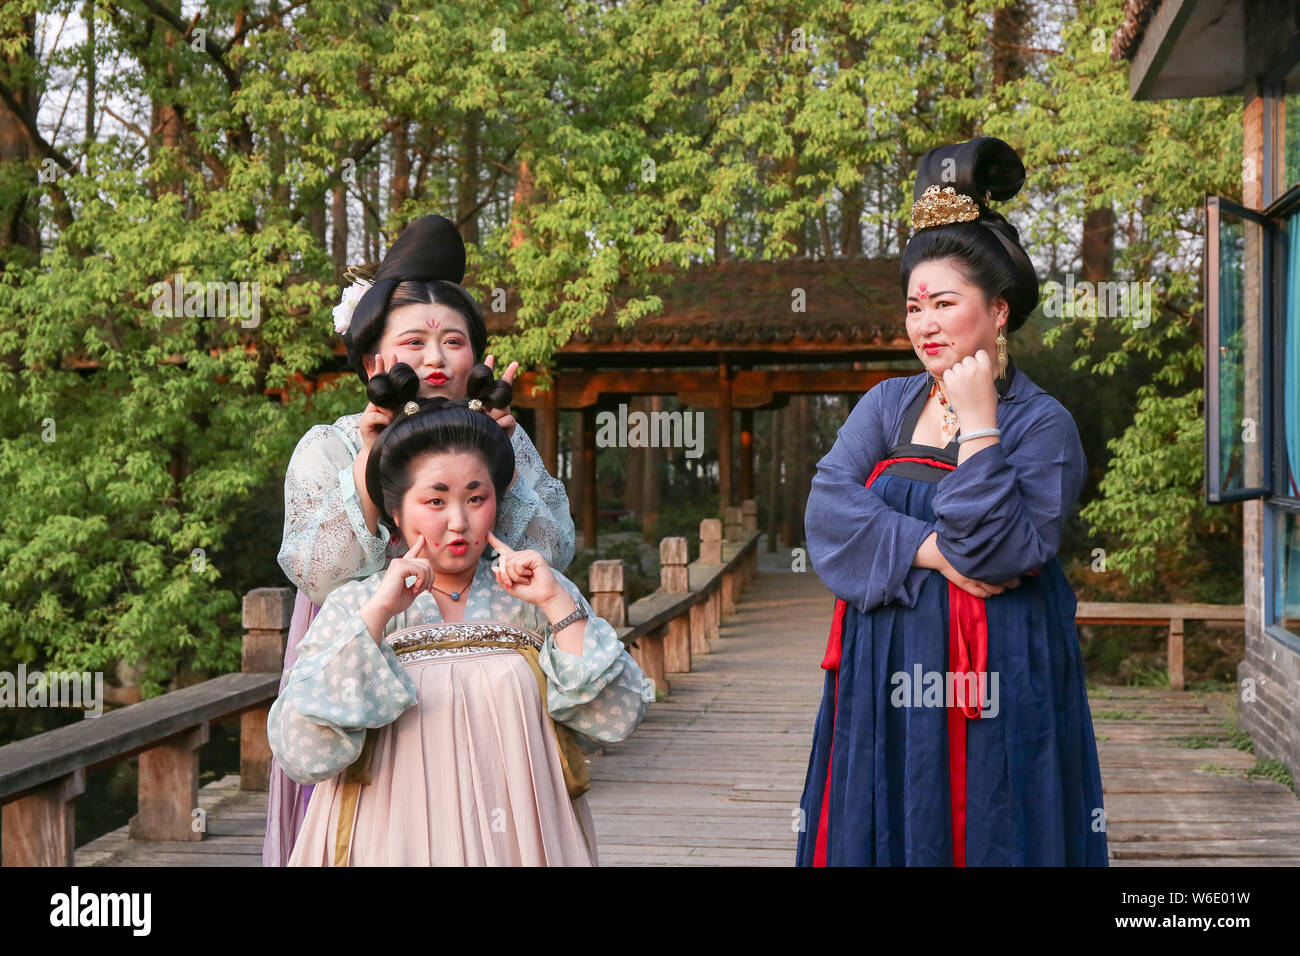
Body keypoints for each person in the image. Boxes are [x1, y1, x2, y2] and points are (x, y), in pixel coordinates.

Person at [796, 136, 1108, 866]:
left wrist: (980, 427)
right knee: (889, 814)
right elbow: (827, 510)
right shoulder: (885, 405)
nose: (925, 323)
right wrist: (929, 550)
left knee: (994, 815)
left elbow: (996, 551)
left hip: (1000, 666)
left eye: (944, 302)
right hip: (887, 656)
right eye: (913, 306)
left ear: (998, 312)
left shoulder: (1041, 424)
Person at [264, 214, 575, 865]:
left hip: (489, 662)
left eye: (454, 341)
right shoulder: (330, 444)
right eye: (414, 342)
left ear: (477, 357)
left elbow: (551, 550)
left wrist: (505, 447)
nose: (435, 358)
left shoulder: (496, 441)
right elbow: (323, 574)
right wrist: (370, 462)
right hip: (366, 647)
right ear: (377, 359)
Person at [268, 363, 648, 865]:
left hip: (520, 838)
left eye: (476, 497)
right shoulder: (355, 604)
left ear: (498, 499)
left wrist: (558, 604)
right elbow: (303, 752)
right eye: (435, 499)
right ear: (396, 510)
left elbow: (613, 717)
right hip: (387, 840)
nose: (458, 521)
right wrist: (378, 614)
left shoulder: (534, 598)